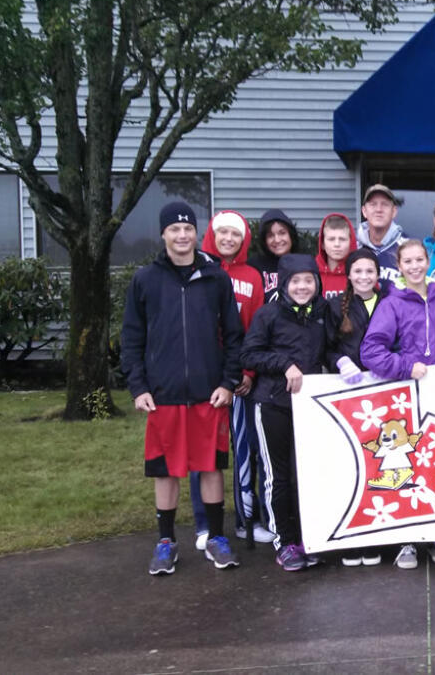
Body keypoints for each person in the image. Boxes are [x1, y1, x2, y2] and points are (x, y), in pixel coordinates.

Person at [122, 201, 244, 575]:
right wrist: (138, 386)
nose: (181, 235)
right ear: (163, 234)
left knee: (210, 467)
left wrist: (227, 382)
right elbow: (131, 338)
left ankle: (216, 539)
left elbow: (234, 336)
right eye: (174, 229)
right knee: (166, 470)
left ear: (196, 233)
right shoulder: (146, 279)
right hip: (163, 394)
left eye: (188, 228)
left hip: (209, 393)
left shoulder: (215, 278)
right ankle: (165, 541)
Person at [360, 239, 435, 569]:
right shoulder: (392, 303)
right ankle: (408, 540)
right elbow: (371, 351)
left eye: (419, 259)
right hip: (402, 397)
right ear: (398, 266)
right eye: (408, 261)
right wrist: (404, 366)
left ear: (428, 260)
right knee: (405, 465)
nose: (415, 266)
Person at [187, 210, 273, 552]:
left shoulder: (251, 276)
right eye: (221, 232)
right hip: (203, 377)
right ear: (211, 234)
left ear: (243, 240)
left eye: (234, 234)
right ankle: (205, 524)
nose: (227, 238)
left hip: (239, 377)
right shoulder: (195, 271)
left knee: (244, 450)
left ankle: (244, 519)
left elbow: (255, 329)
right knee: (203, 453)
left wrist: (248, 372)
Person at [240, 254, 332, 571]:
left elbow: (332, 349)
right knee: (278, 476)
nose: (303, 286)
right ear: (284, 283)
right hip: (273, 403)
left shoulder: (322, 313)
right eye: (296, 281)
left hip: (310, 406)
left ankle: (309, 537)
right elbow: (250, 353)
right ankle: (285, 542)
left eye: (309, 280)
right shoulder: (268, 314)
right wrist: (284, 364)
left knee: (304, 475)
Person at [326, 248, 391, 568]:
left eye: (370, 271)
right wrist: (340, 361)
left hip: (385, 390)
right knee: (354, 463)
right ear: (348, 275)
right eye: (358, 271)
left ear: (379, 274)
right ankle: (353, 538)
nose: (365, 277)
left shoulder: (390, 300)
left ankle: (379, 534)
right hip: (350, 392)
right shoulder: (334, 305)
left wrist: (388, 363)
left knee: (382, 464)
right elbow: (325, 346)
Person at [248, 208, 302, 305]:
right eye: (270, 235)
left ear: (291, 235)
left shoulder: (303, 263)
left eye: (282, 233)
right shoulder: (254, 265)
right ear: (264, 240)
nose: (277, 240)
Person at [358, 183, 407, 283]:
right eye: (373, 204)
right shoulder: (354, 248)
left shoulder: (407, 248)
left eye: (384, 204)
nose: (379, 210)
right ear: (364, 211)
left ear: (394, 211)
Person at [316, 213, 356, 300]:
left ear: (350, 242)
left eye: (342, 239)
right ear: (322, 243)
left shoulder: (360, 274)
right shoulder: (312, 273)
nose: (337, 244)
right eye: (331, 239)